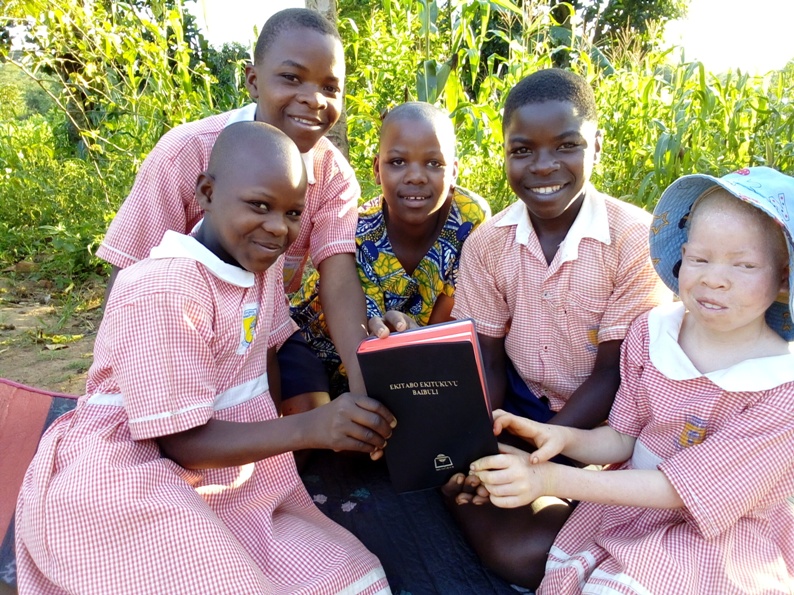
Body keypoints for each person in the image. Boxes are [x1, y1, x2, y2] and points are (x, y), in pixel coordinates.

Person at [15, 122, 395, 594]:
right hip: (131, 469)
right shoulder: (165, 287)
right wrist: (310, 428)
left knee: (349, 572)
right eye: (259, 205)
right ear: (207, 192)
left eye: (293, 212)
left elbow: (261, 365)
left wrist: (282, 451)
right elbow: (180, 443)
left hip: (226, 475)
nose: (278, 227)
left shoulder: (259, 269)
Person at [470, 166, 794, 594]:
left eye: (745, 264)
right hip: (629, 507)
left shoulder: (781, 387)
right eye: (699, 258)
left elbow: (682, 490)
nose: (714, 278)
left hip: (714, 535)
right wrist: (555, 437)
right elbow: (624, 438)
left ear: (782, 278)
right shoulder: (653, 332)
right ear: (680, 256)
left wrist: (550, 480)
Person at [442, 68, 670, 588]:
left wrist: (539, 463)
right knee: (497, 521)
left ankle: (574, 509)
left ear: (597, 144)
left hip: (608, 425)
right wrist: (480, 449)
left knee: (540, 546)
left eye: (566, 146)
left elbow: (614, 375)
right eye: (522, 150)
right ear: (503, 151)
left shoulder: (636, 239)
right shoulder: (488, 243)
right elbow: (488, 362)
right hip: (517, 409)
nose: (544, 167)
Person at [97, 8, 368, 414]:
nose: (313, 98)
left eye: (330, 88)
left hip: (262, 330)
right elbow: (128, 272)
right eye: (292, 78)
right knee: (175, 438)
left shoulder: (334, 178)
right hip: (177, 331)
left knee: (309, 426)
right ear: (253, 81)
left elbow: (339, 278)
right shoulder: (187, 152)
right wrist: (123, 371)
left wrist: (366, 383)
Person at [290, 102, 491, 395]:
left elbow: (444, 324)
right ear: (376, 169)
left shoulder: (469, 218)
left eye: (434, 163)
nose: (416, 176)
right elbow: (369, 336)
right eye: (398, 162)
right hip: (328, 353)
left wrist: (422, 341)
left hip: (411, 357)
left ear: (455, 172)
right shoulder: (358, 234)